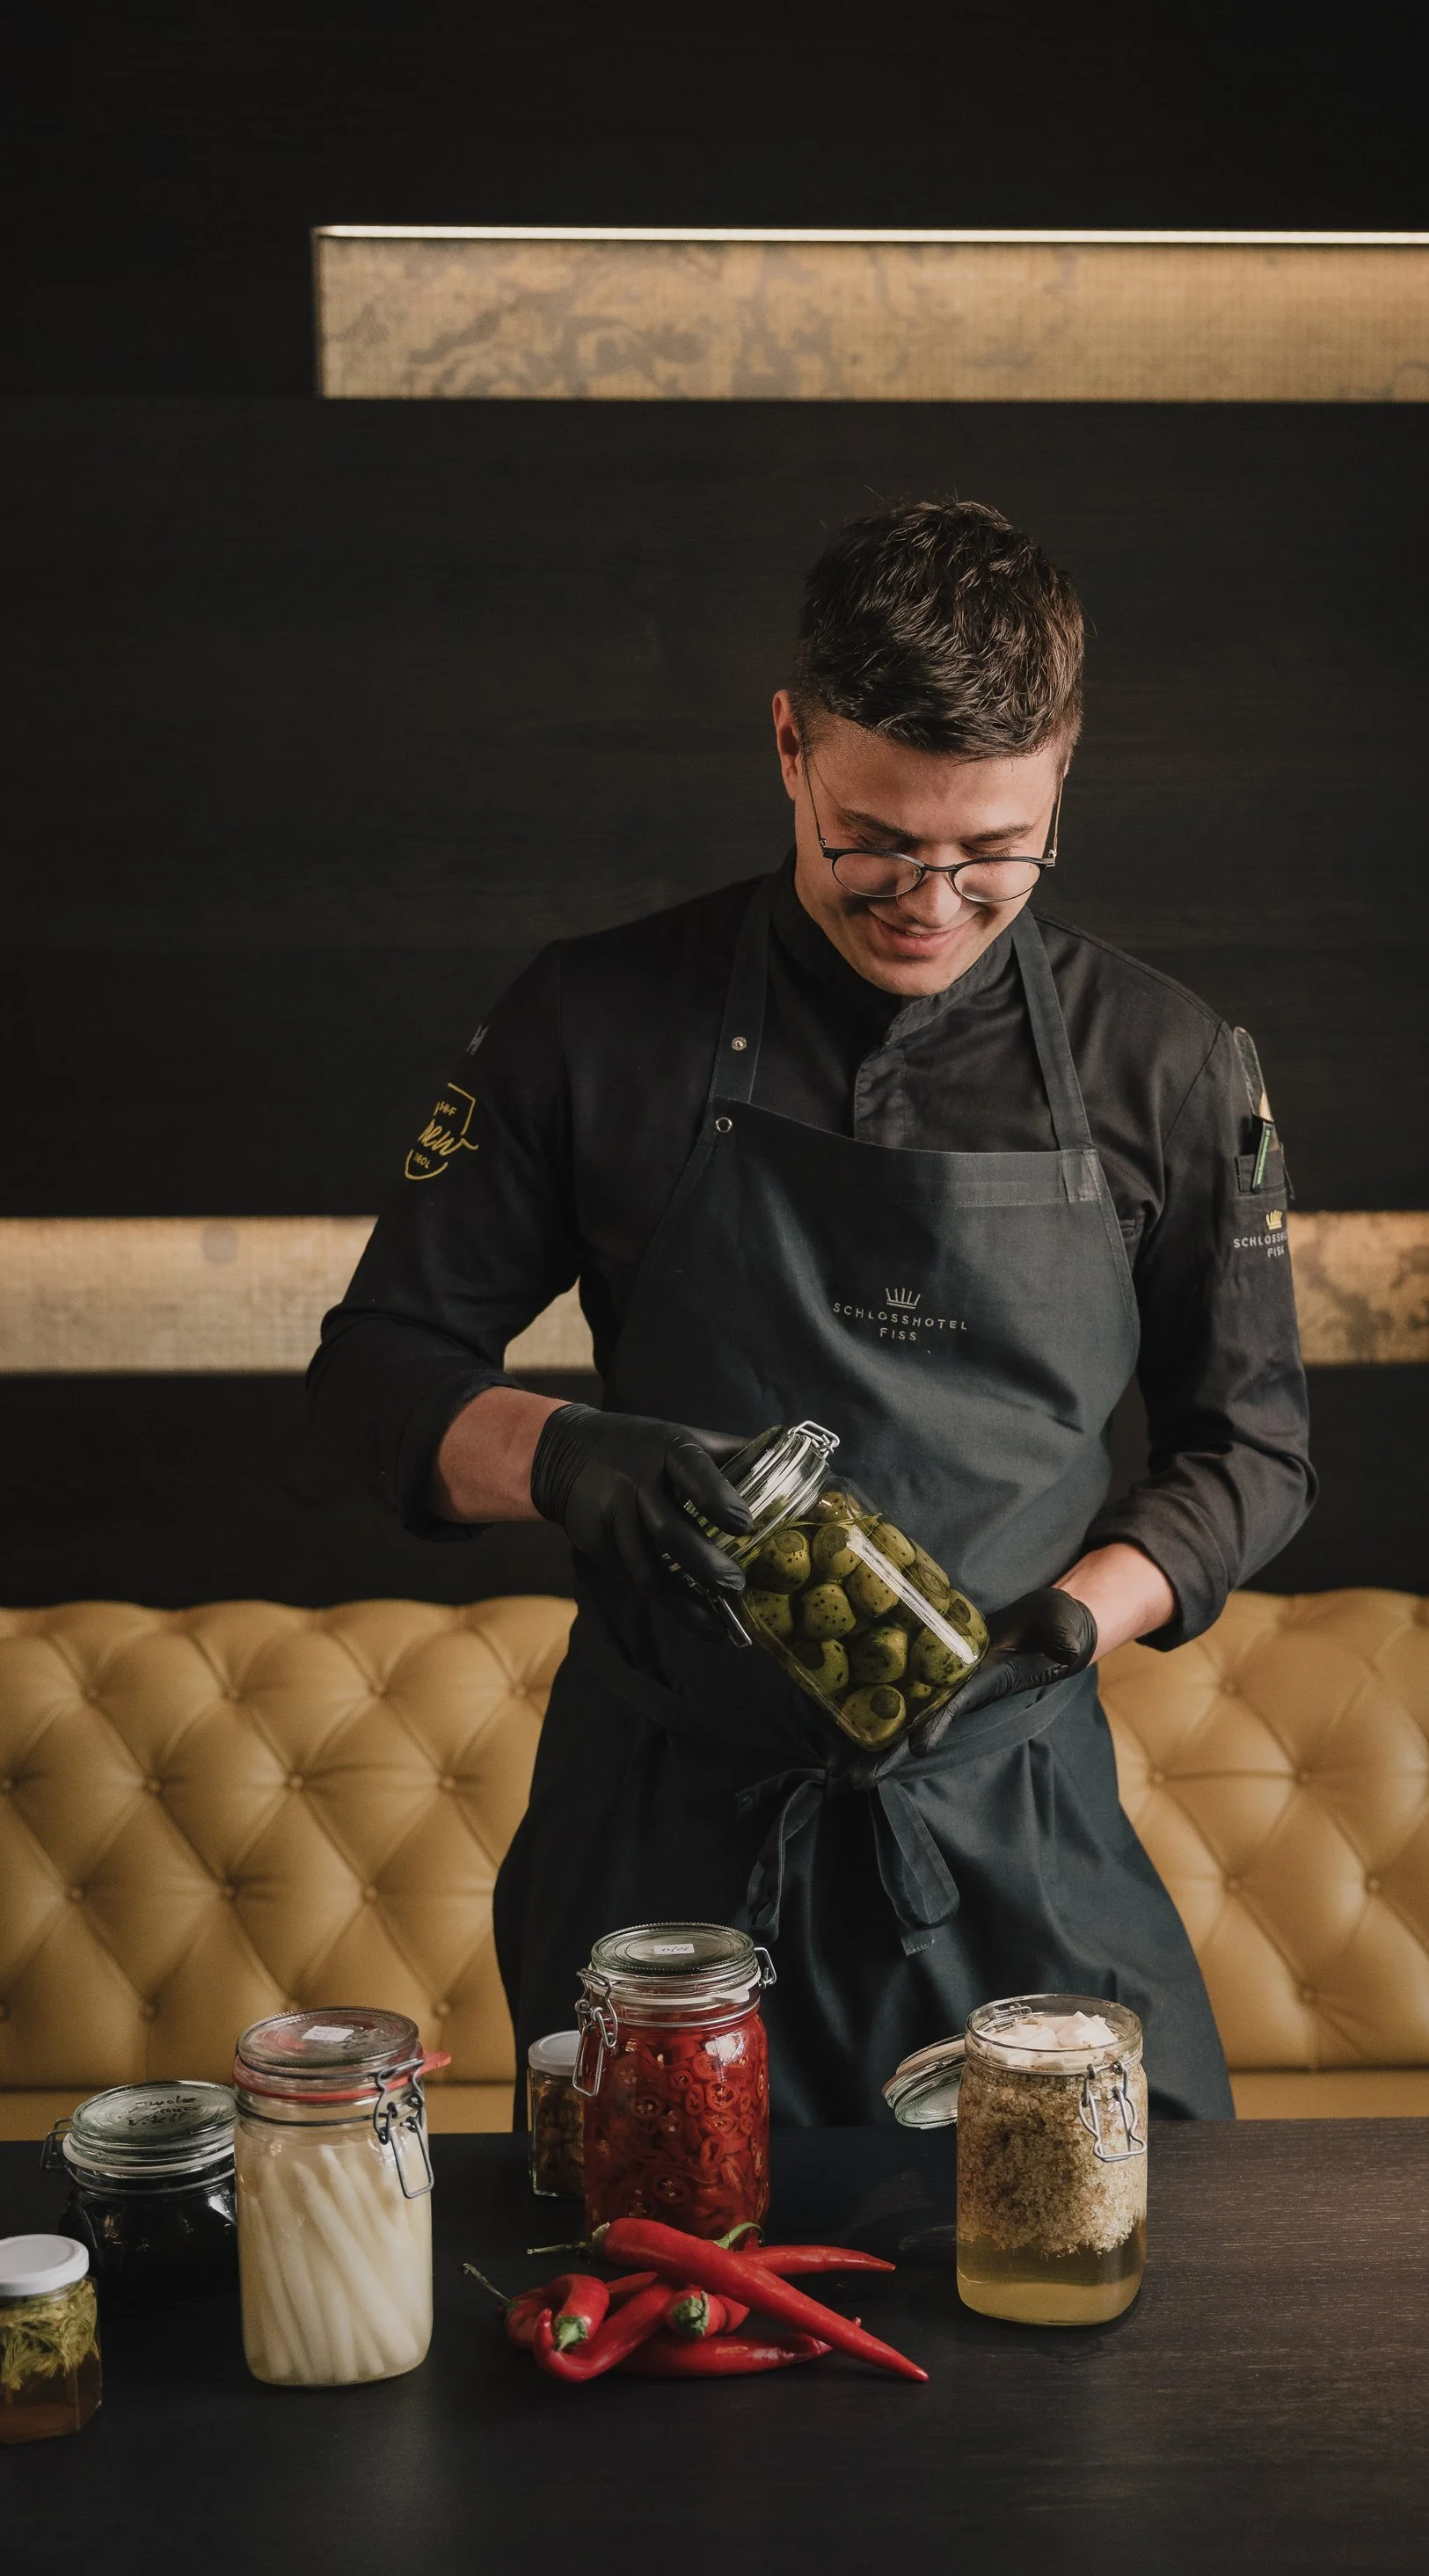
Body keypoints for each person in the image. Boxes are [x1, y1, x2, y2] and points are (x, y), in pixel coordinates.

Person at [309, 498, 1315, 2126]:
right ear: (788, 742)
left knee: (1105, 2326)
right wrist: (577, 1460)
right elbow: (376, 1377)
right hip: (664, 1853)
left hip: (1013, 1827)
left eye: (994, 849)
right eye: (875, 838)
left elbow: (1251, 1452)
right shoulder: (593, 1020)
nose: (930, 897)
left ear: (1065, 770)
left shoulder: (1170, 1066)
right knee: (656, 2312)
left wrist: (1070, 1623)